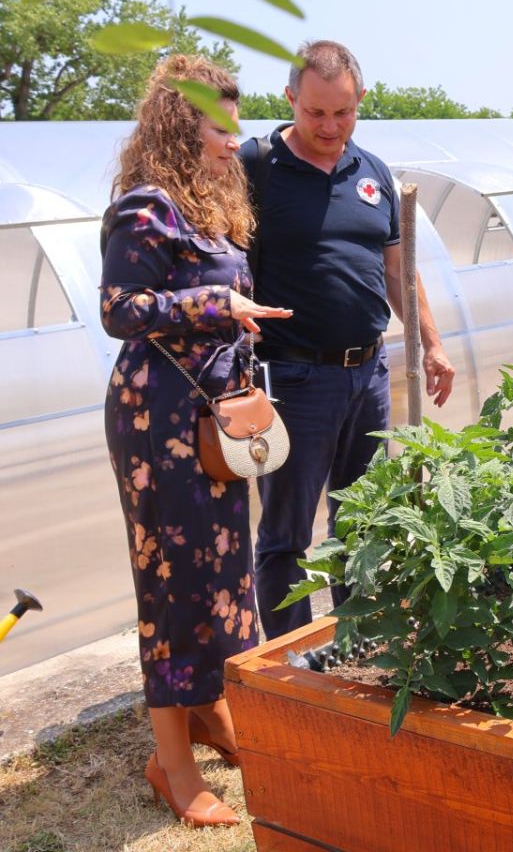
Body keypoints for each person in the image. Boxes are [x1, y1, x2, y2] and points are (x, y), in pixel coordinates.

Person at [101, 55, 293, 827]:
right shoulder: (147, 207)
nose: (231, 140)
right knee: (175, 585)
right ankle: (170, 763)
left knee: (223, 573)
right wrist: (216, 301)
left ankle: (210, 710)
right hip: (159, 424)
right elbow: (120, 308)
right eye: (219, 125)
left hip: (210, 416)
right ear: (183, 125)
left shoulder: (209, 205)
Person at [240, 40, 455, 639]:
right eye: (315, 113)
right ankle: (291, 662)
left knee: (361, 521)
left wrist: (431, 343)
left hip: (370, 373)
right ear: (290, 100)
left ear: (359, 100)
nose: (330, 127)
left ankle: (355, 644)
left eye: (343, 112)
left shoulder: (373, 173)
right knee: (286, 534)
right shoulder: (258, 169)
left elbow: (398, 270)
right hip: (292, 377)